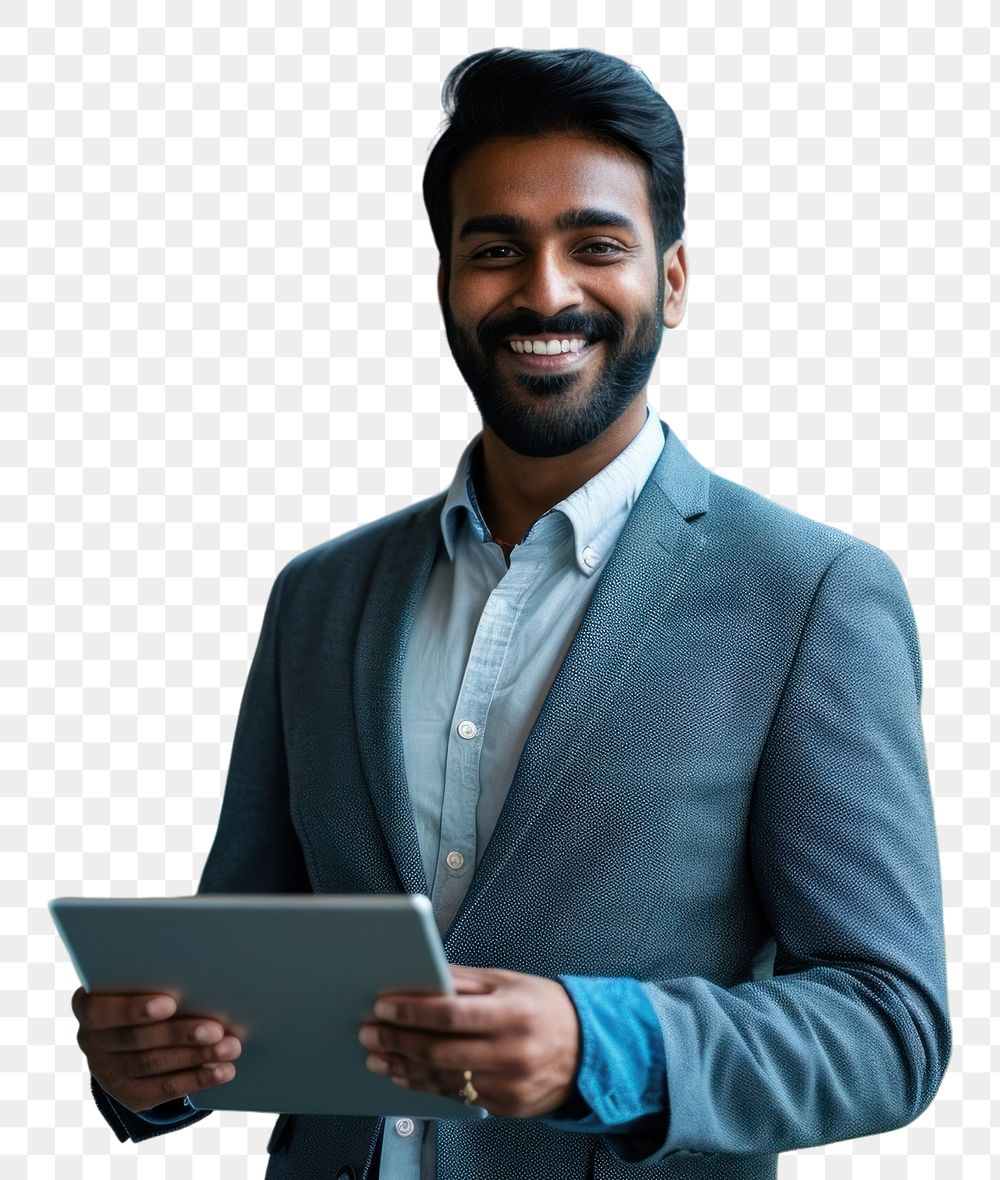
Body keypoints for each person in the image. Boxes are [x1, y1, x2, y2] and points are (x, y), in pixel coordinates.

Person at [71, 47, 951, 1180]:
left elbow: (890, 1025)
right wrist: (156, 1060)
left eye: (596, 245)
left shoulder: (810, 594)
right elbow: (245, 965)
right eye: (496, 250)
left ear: (670, 282)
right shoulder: (320, 597)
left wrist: (604, 1046)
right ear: (444, 278)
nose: (543, 291)